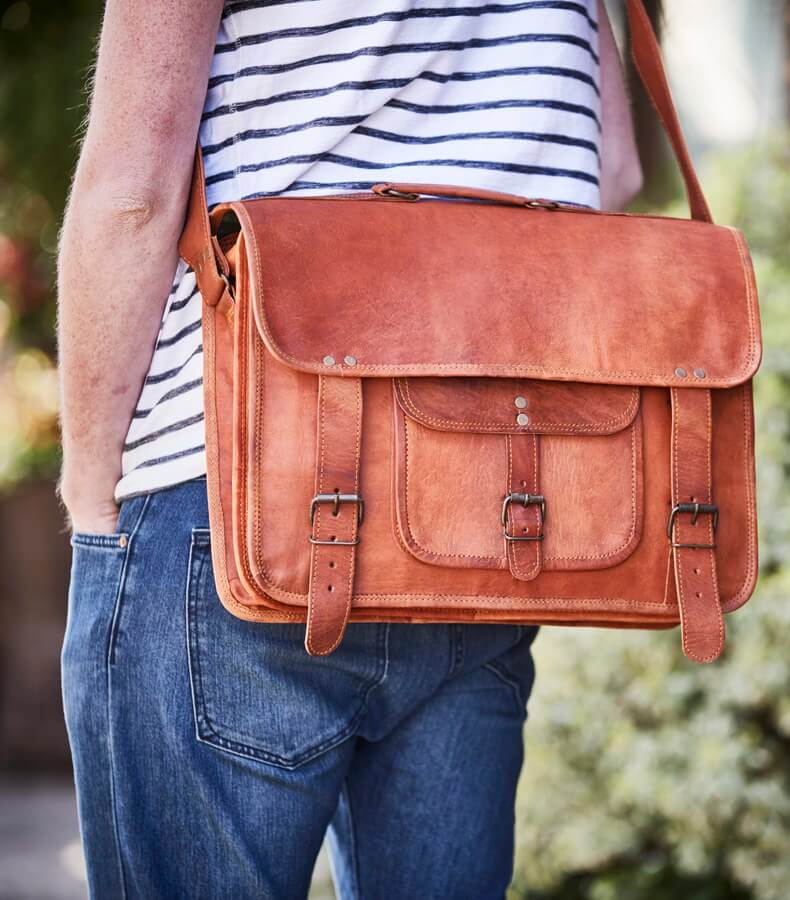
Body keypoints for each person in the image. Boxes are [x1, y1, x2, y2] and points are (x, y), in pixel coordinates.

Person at [57, 1, 641, 897]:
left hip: (236, 496)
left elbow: (133, 193)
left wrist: (92, 494)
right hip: (482, 519)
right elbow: (610, 170)